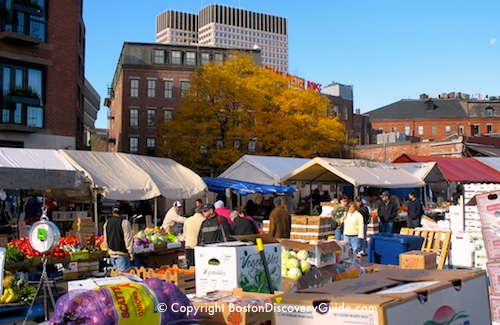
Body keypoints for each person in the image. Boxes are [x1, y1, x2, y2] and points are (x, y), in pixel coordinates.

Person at [103, 206, 134, 270]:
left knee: (116, 276)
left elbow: (105, 238)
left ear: (112, 212)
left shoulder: (107, 222)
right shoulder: (125, 222)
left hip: (112, 254)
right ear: (122, 212)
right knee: (123, 277)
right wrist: (131, 253)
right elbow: (128, 239)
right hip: (122, 254)